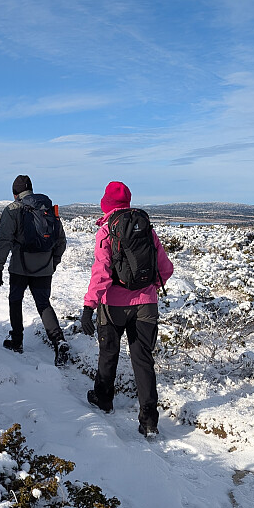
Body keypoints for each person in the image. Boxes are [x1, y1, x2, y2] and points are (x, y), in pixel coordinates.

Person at [80, 181, 173, 437]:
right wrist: (149, 288)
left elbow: (101, 272)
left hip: (113, 305)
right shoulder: (146, 228)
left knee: (108, 352)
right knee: (143, 360)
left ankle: (103, 399)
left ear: (106, 204)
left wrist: (89, 306)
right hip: (146, 304)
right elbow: (166, 269)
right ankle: (149, 421)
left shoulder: (107, 230)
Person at [0, 175, 69, 365]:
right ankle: (58, 340)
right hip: (44, 267)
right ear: (31, 190)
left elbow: (4, 241)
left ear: (14, 193)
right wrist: (53, 262)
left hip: (20, 266)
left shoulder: (12, 210)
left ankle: (17, 341)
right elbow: (61, 241)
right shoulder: (47, 208)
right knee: (43, 303)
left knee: (15, 300)